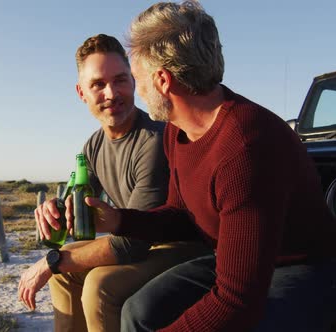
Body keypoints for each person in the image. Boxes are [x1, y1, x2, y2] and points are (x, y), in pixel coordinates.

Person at [85, 2, 336, 331]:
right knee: (138, 312)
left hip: (306, 270)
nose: (138, 90)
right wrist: (118, 219)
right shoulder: (178, 130)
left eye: (137, 78)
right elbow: (182, 216)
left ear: (162, 80)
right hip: (235, 260)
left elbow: (236, 303)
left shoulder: (246, 145)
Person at [17, 34, 210, 332]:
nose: (111, 93)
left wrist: (51, 260)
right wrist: (54, 209)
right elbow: (80, 206)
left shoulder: (154, 140)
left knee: (99, 284)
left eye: (120, 80)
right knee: (64, 275)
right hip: (138, 241)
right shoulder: (93, 146)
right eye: (98, 84)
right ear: (82, 93)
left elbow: (132, 244)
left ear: (134, 82)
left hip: (180, 244)